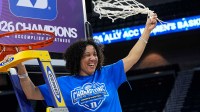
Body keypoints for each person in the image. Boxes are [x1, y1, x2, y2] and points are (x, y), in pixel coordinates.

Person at [5, 13, 157, 112]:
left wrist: (147, 31)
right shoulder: (63, 84)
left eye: (95, 54)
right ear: (77, 60)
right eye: (87, 55)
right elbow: (32, 93)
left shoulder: (107, 74)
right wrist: (20, 66)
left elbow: (132, 57)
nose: (93, 58)